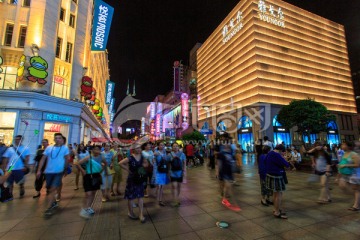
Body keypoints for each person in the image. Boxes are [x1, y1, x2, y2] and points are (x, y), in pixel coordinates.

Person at [37, 133, 69, 217]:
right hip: (48, 172)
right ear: (54, 139)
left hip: (58, 172)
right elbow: (43, 159)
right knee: (49, 189)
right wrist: (39, 170)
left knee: (52, 189)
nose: (58, 139)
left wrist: (65, 169)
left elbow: (67, 159)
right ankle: (54, 202)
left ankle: (49, 207)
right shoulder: (49, 148)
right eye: (56, 138)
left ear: (62, 140)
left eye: (59, 138)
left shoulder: (65, 148)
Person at [75, 145, 106, 219]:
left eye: (98, 149)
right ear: (92, 150)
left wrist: (101, 170)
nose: (96, 151)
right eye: (95, 149)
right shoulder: (89, 157)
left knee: (93, 193)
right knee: (88, 194)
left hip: (96, 177)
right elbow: (77, 163)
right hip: (88, 176)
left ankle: (88, 207)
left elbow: (106, 164)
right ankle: (84, 208)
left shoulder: (101, 157)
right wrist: (82, 171)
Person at [120, 143, 146, 223]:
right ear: (133, 149)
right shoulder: (130, 158)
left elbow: (146, 164)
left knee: (140, 196)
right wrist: (128, 170)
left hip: (140, 178)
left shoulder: (142, 157)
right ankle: (130, 212)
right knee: (131, 197)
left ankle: (141, 214)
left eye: (139, 148)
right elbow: (120, 163)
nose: (138, 149)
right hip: (132, 179)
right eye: (137, 148)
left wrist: (144, 166)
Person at [265, 144, 290, 219]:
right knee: (279, 194)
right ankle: (277, 212)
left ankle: (275, 209)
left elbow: (265, 161)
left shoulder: (270, 153)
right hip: (277, 176)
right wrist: (284, 158)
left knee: (275, 193)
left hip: (269, 175)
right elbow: (287, 165)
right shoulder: (277, 155)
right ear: (280, 150)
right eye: (283, 152)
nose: (283, 154)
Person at [217, 141, 241, 212]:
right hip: (224, 173)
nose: (228, 145)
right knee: (230, 187)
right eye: (227, 144)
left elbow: (232, 162)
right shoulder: (221, 154)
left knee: (227, 187)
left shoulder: (230, 153)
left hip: (229, 172)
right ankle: (235, 204)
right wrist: (218, 173)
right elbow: (219, 164)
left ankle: (224, 199)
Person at [338, 141, 360, 211]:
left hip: (354, 174)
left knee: (356, 190)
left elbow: (357, 165)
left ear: (349, 146)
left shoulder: (354, 154)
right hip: (347, 174)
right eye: (342, 144)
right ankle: (357, 202)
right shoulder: (344, 153)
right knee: (349, 188)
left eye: (344, 144)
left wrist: (346, 165)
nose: (342, 146)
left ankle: (356, 206)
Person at [170, 143, 187, 207]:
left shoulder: (182, 154)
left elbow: (184, 163)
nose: (175, 147)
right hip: (172, 173)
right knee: (174, 186)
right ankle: (175, 200)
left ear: (178, 147)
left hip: (180, 173)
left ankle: (176, 198)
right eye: (174, 146)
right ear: (172, 147)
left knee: (179, 186)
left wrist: (184, 171)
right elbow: (168, 164)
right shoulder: (170, 155)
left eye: (176, 146)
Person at [154, 142, 170, 206]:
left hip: (163, 171)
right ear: (158, 146)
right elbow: (152, 159)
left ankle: (160, 200)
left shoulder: (165, 152)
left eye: (163, 145)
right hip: (158, 171)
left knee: (162, 187)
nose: (162, 146)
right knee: (159, 186)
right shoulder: (156, 152)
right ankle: (158, 200)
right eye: (160, 145)